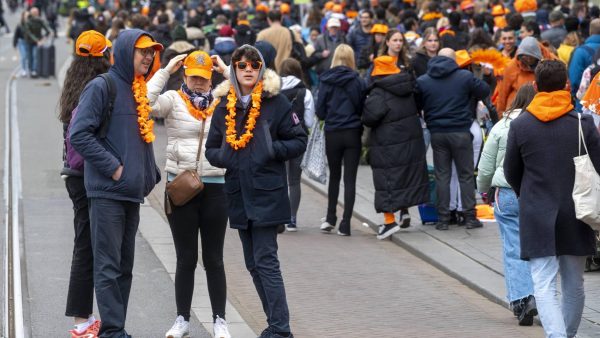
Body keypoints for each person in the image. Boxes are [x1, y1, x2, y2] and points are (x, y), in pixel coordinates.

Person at [205, 45, 307, 338]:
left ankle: (280, 328)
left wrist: (272, 149)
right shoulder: (224, 105)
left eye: (254, 64)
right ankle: (274, 323)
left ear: (261, 68)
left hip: (267, 193)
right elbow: (212, 148)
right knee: (252, 264)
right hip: (238, 194)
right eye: (242, 65)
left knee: (266, 260)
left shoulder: (276, 103)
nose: (248, 69)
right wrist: (225, 156)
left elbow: (299, 140)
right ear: (234, 69)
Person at [70, 29, 164, 338]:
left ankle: (116, 327)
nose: (148, 57)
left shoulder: (138, 89)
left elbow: (141, 140)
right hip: (108, 193)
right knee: (108, 266)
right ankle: (113, 331)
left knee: (124, 267)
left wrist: (150, 174)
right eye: (142, 51)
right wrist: (114, 168)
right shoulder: (102, 86)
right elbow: (79, 134)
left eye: (151, 52)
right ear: (126, 52)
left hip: (131, 194)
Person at [504, 60, 600, 338]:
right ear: (567, 86)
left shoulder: (521, 125)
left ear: (535, 87)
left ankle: (557, 336)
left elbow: (511, 171)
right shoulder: (583, 124)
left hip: (537, 211)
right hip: (577, 211)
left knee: (543, 283)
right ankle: (566, 335)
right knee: (574, 284)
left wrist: (529, 195)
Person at [145, 50, 231, 338]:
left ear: (212, 79)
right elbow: (144, 102)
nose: (199, 83)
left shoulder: (221, 100)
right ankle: (182, 319)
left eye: (204, 79)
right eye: (194, 77)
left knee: (214, 258)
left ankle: (220, 320)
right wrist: (166, 70)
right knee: (185, 257)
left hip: (216, 185)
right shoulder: (172, 99)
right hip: (181, 186)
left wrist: (228, 71)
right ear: (185, 75)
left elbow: (249, 97)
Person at [58, 30, 112, 338]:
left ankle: (82, 317)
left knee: (84, 245)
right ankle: (84, 322)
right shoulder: (100, 85)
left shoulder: (72, 81)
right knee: (96, 248)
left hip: (73, 173)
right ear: (103, 55)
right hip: (92, 173)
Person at [477, 84, 538, 326]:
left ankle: (522, 299)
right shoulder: (540, 125)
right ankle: (535, 295)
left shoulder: (502, 127)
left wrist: (483, 188)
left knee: (513, 247)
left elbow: (486, 164)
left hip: (506, 192)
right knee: (536, 248)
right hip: (535, 193)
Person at [415, 48, 490, 231]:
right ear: (454, 59)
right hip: (461, 131)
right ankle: (470, 217)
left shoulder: (423, 80)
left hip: (438, 133)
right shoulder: (464, 77)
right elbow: (484, 90)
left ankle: (443, 218)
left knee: (443, 175)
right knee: (465, 175)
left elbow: (417, 103)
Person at [363, 55, 428, 240]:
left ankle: (389, 221)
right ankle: (404, 212)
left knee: (387, 180)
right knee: (404, 176)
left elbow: (369, 117)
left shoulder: (378, 93)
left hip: (387, 143)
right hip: (409, 139)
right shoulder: (408, 87)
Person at [316, 44, 366, 236]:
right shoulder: (357, 81)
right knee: (350, 179)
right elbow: (362, 107)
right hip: (352, 131)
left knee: (334, 176)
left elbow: (320, 112)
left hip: (333, 131)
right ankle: (345, 223)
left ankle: (330, 217)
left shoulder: (326, 81)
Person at [279, 58, 316, 232]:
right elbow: (309, 122)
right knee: (294, 181)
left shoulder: (274, 90)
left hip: (278, 140)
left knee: (279, 179)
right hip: (298, 141)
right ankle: (292, 219)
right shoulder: (305, 92)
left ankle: (278, 216)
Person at [496, 37, 542, 113]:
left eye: (531, 57)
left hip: (537, 108)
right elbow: (502, 93)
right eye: (525, 56)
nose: (528, 59)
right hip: (516, 110)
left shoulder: (542, 66)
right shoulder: (510, 67)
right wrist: (501, 113)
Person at [24, 6, 52, 78]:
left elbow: (48, 31)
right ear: (31, 13)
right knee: (29, 57)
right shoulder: (28, 21)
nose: (36, 14)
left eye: (37, 13)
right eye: (34, 13)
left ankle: (34, 70)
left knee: (35, 55)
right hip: (29, 41)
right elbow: (29, 33)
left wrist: (43, 39)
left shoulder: (40, 20)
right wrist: (37, 40)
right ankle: (30, 70)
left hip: (38, 41)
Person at [13, 10, 30, 77]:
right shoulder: (19, 24)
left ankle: (29, 69)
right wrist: (14, 44)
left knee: (29, 56)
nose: (27, 17)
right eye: (26, 15)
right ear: (23, 16)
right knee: (24, 56)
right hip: (21, 42)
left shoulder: (31, 23)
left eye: (28, 16)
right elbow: (16, 35)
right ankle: (23, 70)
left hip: (29, 42)